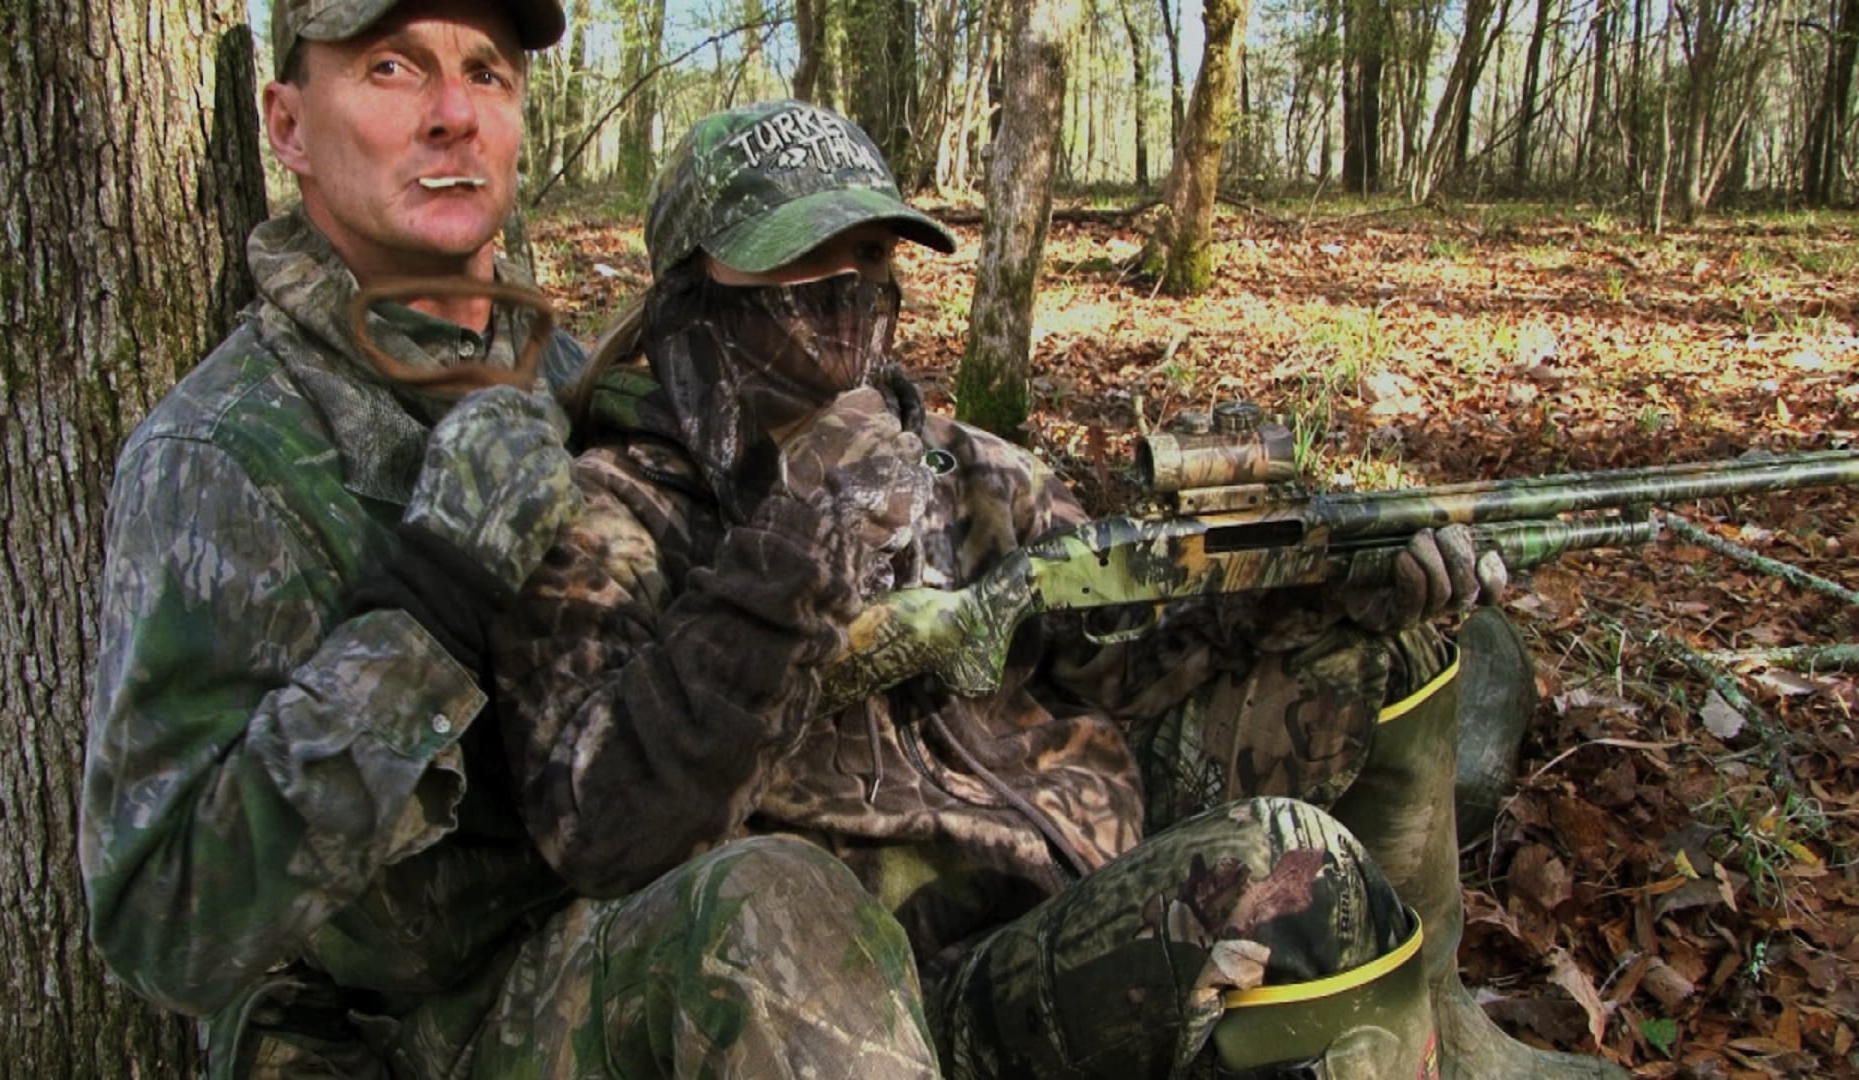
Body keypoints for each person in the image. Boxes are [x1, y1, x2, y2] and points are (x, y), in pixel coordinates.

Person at [488, 99, 1626, 1077]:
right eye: (799, 274)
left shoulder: (965, 465)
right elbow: (598, 829)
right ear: (694, 296)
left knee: (1384, 654)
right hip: (876, 992)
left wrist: (1316, 584)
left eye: (871, 273)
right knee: (1285, 861)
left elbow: (1124, 641)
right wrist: (786, 567)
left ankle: (1446, 1033)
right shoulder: (613, 512)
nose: (844, 317)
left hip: (1068, 876)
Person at [80, 7, 939, 1077]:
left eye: (486, 72)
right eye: (391, 68)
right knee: (770, 921)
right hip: (417, 1025)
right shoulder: (224, 452)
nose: (452, 115)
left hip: (642, 908)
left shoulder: (571, 372)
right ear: (289, 125)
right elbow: (164, 928)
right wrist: (433, 595)